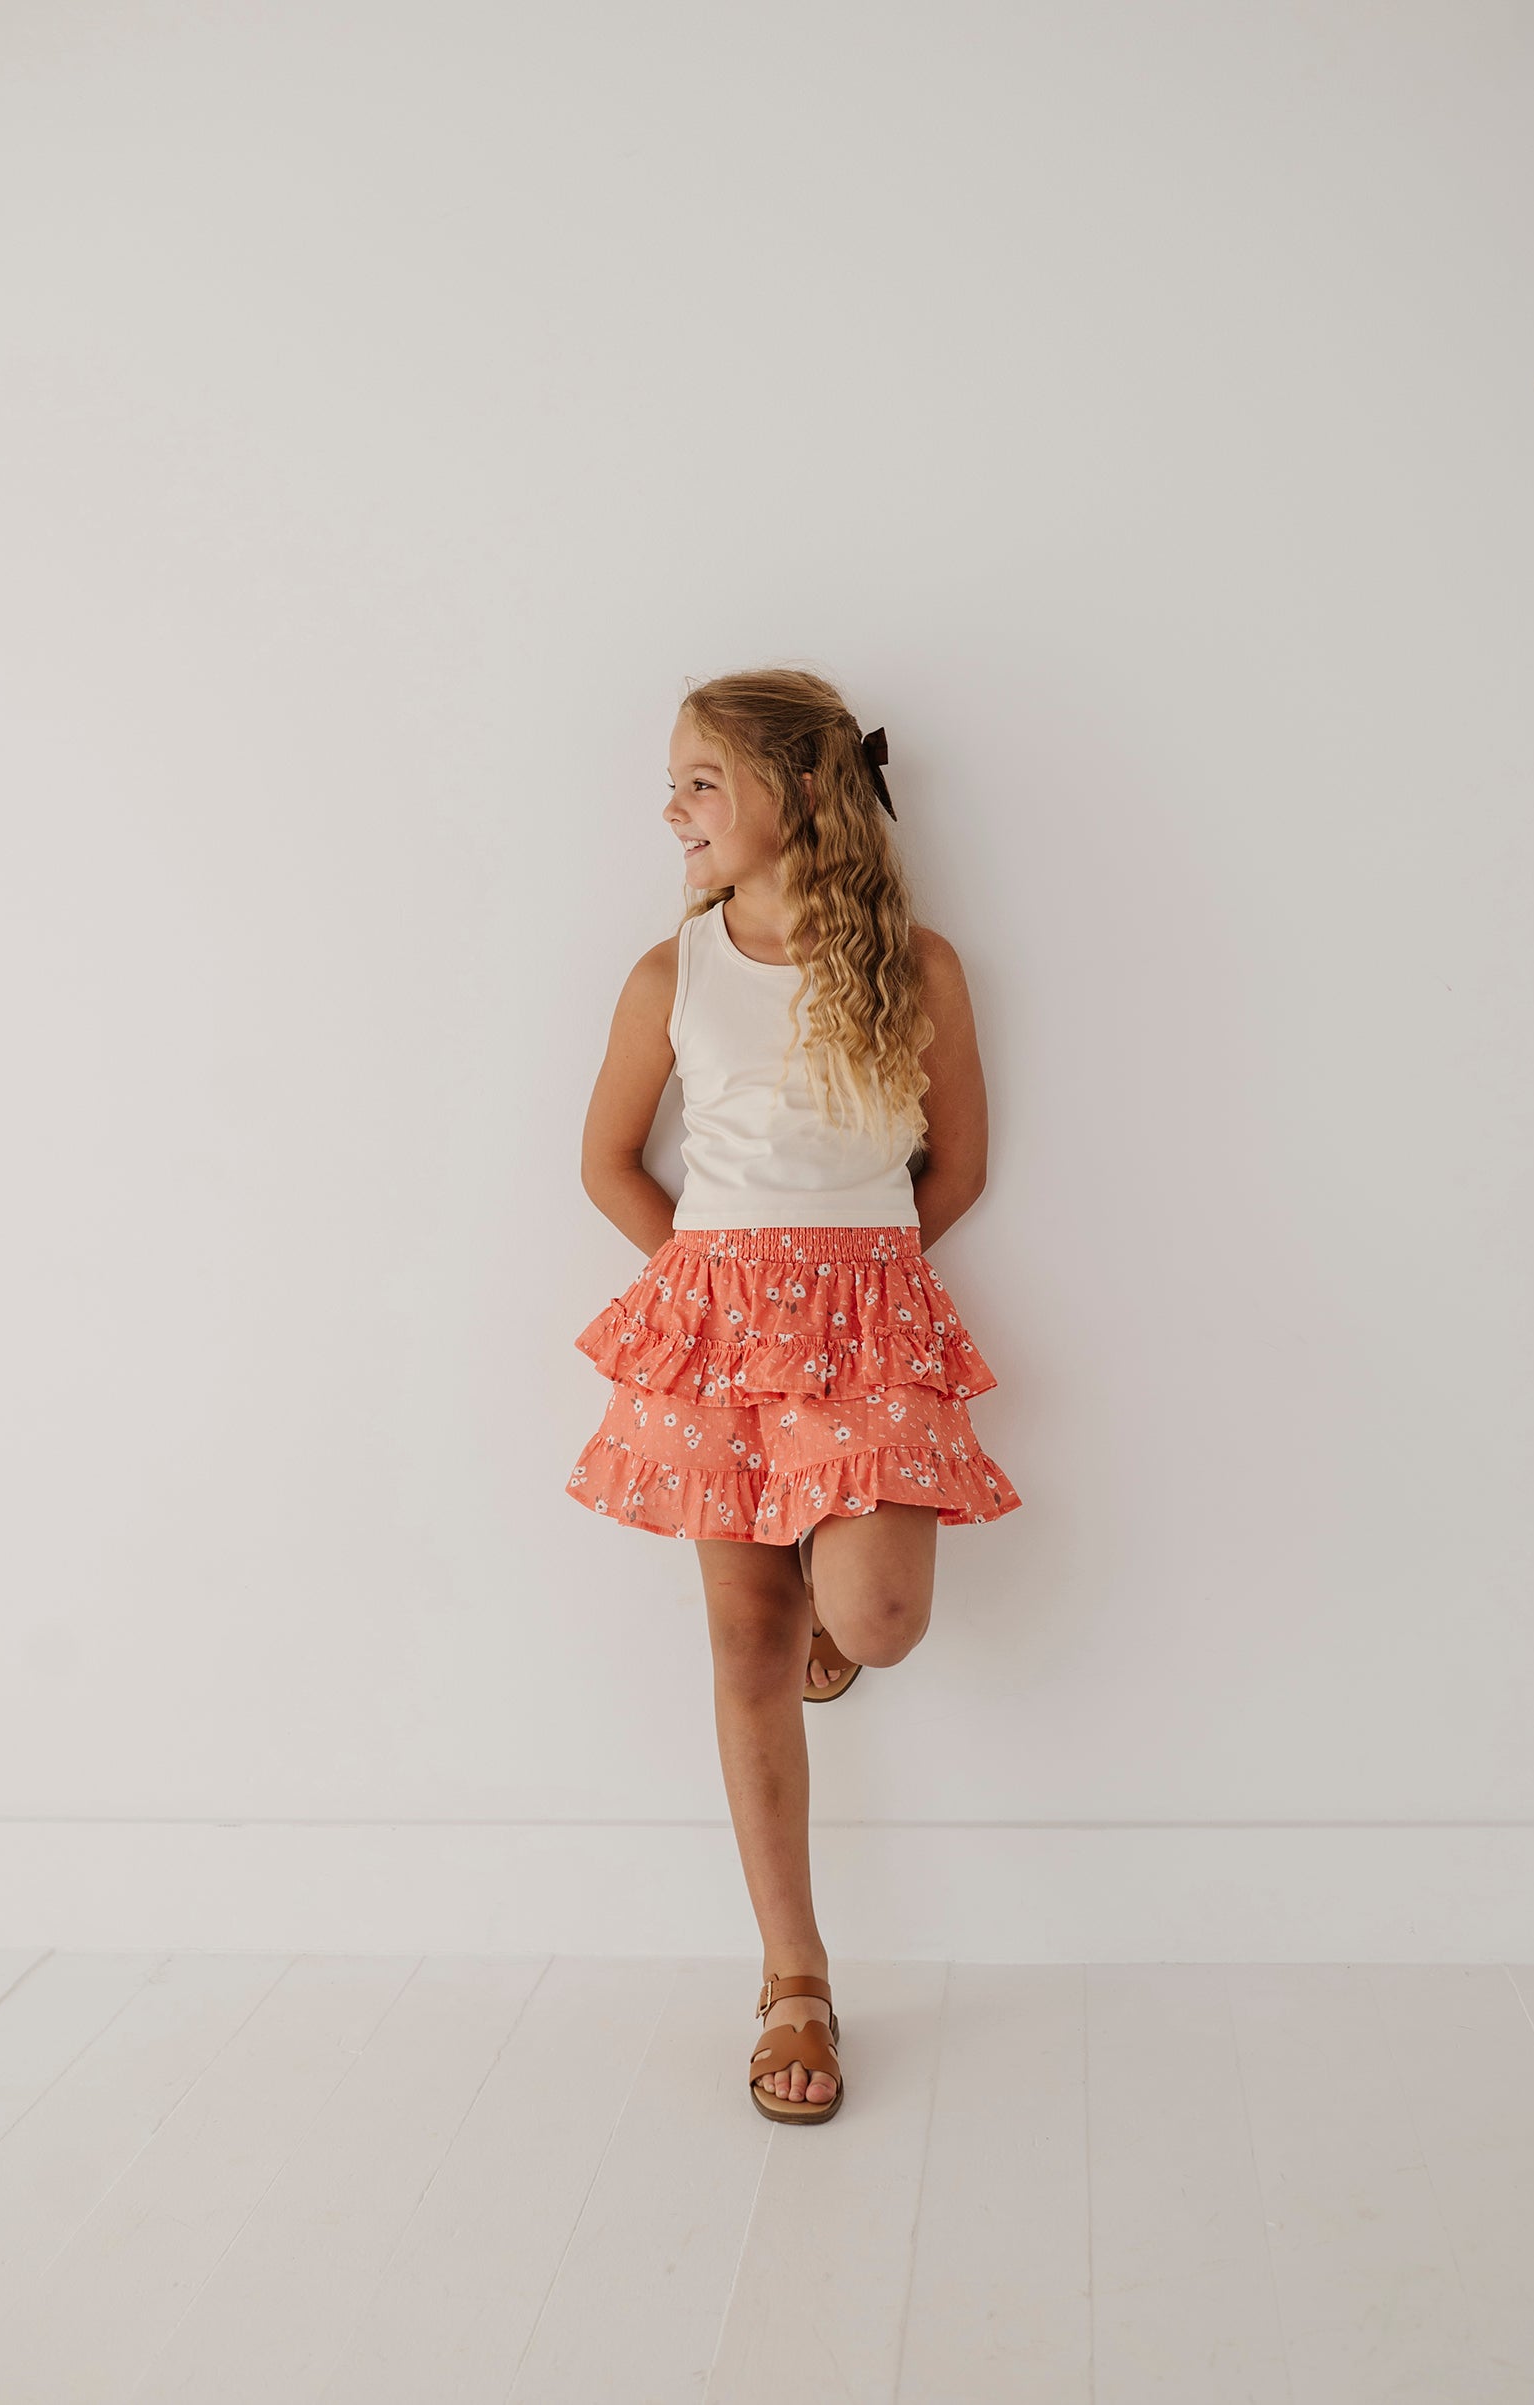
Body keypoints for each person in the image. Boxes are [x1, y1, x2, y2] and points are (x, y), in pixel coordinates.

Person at [566, 666, 1022, 2126]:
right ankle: (794, 1974)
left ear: (801, 789)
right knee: (745, 1635)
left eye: (701, 780)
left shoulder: (918, 965)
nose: (673, 809)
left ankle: (840, 1619)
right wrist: (713, 1291)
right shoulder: (673, 974)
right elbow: (609, 1162)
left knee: (878, 1614)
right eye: (673, 783)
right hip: (717, 1327)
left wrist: (853, 1286)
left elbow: (957, 1166)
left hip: (869, 1320)